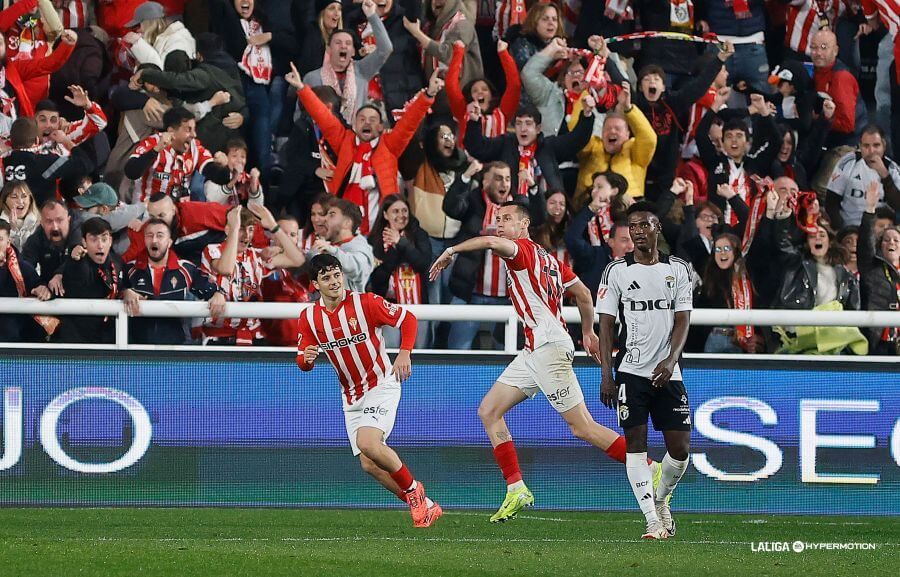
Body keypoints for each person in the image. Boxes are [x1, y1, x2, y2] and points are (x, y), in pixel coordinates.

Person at [429, 199, 637, 522]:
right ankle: (516, 488)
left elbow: (488, 242)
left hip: (548, 348)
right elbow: (582, 293)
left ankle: (646, 466)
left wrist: (451, 251)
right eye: (498, 218)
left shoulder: (521, 251)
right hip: (534, 351)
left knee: (582, 428)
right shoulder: (550, 260)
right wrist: (588, 332)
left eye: (507, 218)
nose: (500, 224)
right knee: (489, 410)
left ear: (524, 225)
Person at [297, 253, 443, 528]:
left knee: (369, 443)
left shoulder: (366, 302)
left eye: (336, 274)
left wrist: (404, 353)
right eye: (326, 277)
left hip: (381, 384)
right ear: (315, 284)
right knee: (369, 463)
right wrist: (306, 360)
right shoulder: (309, 317)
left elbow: (408, 319)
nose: (334, 281)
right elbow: (302, 359)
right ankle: (427, 505)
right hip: (351, 395)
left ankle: (414, 491)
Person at [597, 202, 694, 540]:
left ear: (658, 228)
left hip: (669, 372)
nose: (637, 231)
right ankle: (652, 519)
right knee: (635, 445)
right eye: (632, 226)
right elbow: (606, 325)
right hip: (631, 372)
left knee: (680, 448)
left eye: (644, 225)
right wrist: (607, 374)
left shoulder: (678, 269)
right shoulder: (615, 271)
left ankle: (662, 498)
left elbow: (683, 320)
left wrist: (670, 362)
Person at [288, 62, 442, 235]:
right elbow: (323, 116)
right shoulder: (344, 140)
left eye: (372, 120)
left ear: (381, 127)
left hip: (381, 225)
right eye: (362, 119)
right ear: (354, 125)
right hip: (347, 227)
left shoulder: (390, 145)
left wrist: (428, 95)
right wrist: (302, 88)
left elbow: (409, 123)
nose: (367, 122)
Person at [199, 204, 304, 345]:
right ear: (227, 229)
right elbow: (226, 268)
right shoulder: (212, 251)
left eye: (250, 229)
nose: (247, 235)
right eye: (242, 229)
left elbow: (297, 260)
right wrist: (234, 229)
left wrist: (274, 226)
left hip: (255, 339)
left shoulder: (257, 256)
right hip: (220, 339)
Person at [122, 217, 227, 344]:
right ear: (144, 240)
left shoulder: (185, 269)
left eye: (160, 236)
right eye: (149, 235)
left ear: (169, 242)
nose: (154, 240)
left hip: (175, 349)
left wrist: (218, 293)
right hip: (137, 349)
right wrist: (125, 292)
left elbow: (210, 288)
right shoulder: (130, 269)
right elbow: (116, 290)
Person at [464, 101, 594, 199]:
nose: (523, 129)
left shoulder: (548, 146)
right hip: (513, 209)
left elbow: (576, 140)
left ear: (538, 129)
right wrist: (474, 122)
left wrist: (587, 115)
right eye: (519, 123)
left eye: (528, 123)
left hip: (546, 210)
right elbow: (478, 148)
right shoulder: (505, 143)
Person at [303, 0, 393, 124]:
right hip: (321, 139)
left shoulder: (361, 71)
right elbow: (301, 116)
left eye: (348, 43)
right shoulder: (312, 78)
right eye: (338, 43)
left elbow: (385, 49)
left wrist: (372, 16)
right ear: (328, 49)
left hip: (355, 138)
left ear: (353, 52)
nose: (343, 47)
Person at [124, 106, 231, 204]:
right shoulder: (153, 143)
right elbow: (131, 172)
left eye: (194, 129)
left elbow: (221, 178)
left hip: (178, 212)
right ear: (171, 131)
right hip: (147, 211)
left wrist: (223, 166)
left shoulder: (195, 148)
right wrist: (155, 151)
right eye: (188, 130)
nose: (194, 135)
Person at [574, 82, 657, 205]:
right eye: (607, 129)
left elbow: (649, 138)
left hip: (625, 208)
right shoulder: (593, 145)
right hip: (588, 205)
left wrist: (628, 108)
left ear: (628, 133)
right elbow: (576, 135)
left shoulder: (635, 149)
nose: (612, 131)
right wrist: (586, 94)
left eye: (617, 129)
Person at [368, 194, 432, 348]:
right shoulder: (375, 240)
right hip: (389, 307)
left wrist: (401, 242)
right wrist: (395, 249)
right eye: (395, 211)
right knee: (391, 349)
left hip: (418, 305)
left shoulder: (419, 235)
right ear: (385, 214)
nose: (401, 215)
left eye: (404, 211)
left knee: (419, 351)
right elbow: (377, 279)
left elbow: (423, 264)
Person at [55, 217, 124, 343]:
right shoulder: (79, 263)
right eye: (93, 239)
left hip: (108, 340)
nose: (100, 245)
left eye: (104, 239)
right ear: (84, 242)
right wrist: (75, 259)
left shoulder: (117, 262)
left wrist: (128, 290)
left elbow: (124, 285)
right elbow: (76, 273)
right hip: (77, 341)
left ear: (110, 241)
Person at [3, 117, 92, 206]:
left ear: (10, 141)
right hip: (42, 217)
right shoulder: (47, 162)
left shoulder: (2, 162)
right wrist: (65, 141)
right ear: (37, 140)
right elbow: (85, 164)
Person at [825, 125, 900, 229]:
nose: (871, 151)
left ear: (884, 145)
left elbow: (898, 205)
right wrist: (839, 229)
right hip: (849, 228)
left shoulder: (892, 169)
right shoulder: (849, 162)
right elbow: (831, 201)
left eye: (876, 145)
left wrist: (884, 175)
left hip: (879, 231)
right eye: (866, 146)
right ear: (860, 146)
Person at [446, 38, 519, 142]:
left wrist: (503, 53)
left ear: (491, 95)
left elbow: (514, 85)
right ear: (470, 97)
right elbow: (450, 85)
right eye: (474, 91)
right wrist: (458, 52)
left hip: (497, 158)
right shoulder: (463, 111)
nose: (480, 92)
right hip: (468, 158)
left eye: (485, 89)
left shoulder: (503, 112)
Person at [696, 232, 759, 353]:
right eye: (718, 249)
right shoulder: (709, 278)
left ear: (735, 251)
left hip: (743, 342)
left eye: (726, 248)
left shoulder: (748, 278)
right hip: (714, 339)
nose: (722, 253)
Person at [857, 181, 899, 355]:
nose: (891, 243)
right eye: (886, 239)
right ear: (880, 246)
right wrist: (869, 210)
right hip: (878, 340)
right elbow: (865, 245)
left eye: (896, 240)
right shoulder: (872, 267)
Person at [810, 29, 867, 148]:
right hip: (827, 137)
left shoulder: (841, 78)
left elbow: (847, 125)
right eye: (814, 47)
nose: (818, 52)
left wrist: (817, 120)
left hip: (847, 145)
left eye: (824, 47)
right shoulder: (815, 72)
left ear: (835, 50)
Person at [306, 198, 375, 293]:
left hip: (347, 306)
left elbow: (355, 267)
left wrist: (332, 251)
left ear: (347, 223)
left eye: (332, 215)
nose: (325, 219)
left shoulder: (360, 248)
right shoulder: (326, 247)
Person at [0, 219, 51, 342]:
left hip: (13, 338)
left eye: (0, 239)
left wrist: (42, 289)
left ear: (8, 242)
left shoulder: (22, 267)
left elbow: (39, 285)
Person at [33, 85, 108, 157]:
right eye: (43, 120)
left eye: (53, 120)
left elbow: (100, 123)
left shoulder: (67, 136)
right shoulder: (24, 138)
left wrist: (87, 106)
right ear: (34, 120)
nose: (48, 125)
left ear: (59, 122)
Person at [22, 199, 80, 288]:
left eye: (59, 220)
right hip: (48, 291)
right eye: (49, 222)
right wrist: (38, 286)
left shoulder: (80, 233)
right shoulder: (35, 239)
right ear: (41, 223)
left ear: (68, 220)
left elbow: (82, 257)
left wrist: (60, 273)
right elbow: (24, 267)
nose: (55, 227)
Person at [125, 1, 196, 68]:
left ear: (149, 23)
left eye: (139, 25)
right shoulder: (162, 38)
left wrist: (138, 44)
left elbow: (161, 71)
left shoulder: (177, 40)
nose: (138, 30)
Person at [0, 181, 40, 251]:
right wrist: (13, 229)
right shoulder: (1, 225)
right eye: (14, 197)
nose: (20, 201)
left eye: (24, 196)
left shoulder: (41, 222)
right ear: (5, 200)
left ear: (30, 199)